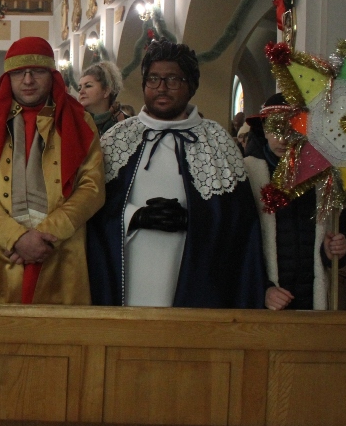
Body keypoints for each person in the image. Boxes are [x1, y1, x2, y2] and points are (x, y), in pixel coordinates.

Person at [86, 41, 267, 308]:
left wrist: (195, 218)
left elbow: (239, 221)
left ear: (191, 85)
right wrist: (135, 216)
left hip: (195, 274)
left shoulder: (216, 139)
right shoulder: (117, 137)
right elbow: (92, 208)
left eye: (172, 79)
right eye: (153, 79)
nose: (161, 87)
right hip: (130, 270)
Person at [0, 38, 104, 304]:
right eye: (19, 72)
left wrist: (46, 236)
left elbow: (92, 188)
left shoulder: (78, 120)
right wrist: (14, 237)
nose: (27, 80)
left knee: (58, 328)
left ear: (51, 75)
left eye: (37, 71)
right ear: (8, 77)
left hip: (58, 250)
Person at [243, 94, 346, 310]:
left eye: (293, 129)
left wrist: (337, 250)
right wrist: (263, 288)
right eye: (276, 129)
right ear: (264, 130)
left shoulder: (325, 178)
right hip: (265, 298)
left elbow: (344, 234)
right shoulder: (248, 175)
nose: (283, 139)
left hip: (312, 298)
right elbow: (240, 243)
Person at [78, 61, 127, 136]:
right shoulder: (74, 122)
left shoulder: (126, 124)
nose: (81, 91)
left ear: (106, 91)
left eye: (88, 86)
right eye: (79, 88)